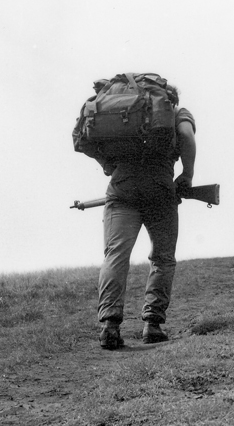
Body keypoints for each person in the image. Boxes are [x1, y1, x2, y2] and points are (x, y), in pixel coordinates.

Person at [97, 84, 196, 350]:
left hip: (121, 188)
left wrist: (109, 165)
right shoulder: (177, 112)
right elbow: (186, 135)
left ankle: (109, 326)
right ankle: (152, 324)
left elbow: (90, 140)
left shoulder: (118, 113)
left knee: (116, 255)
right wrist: (187, 174)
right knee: (162, 258)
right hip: (160, 189)